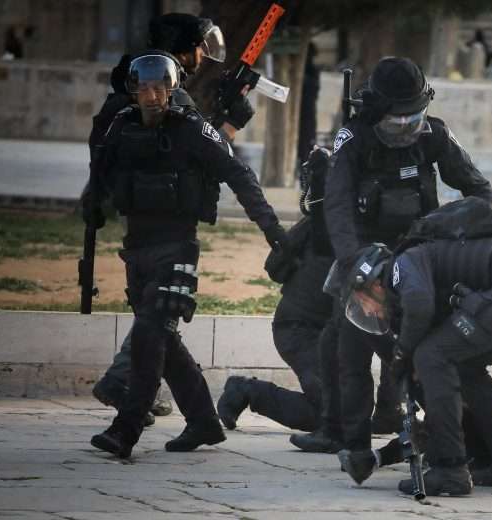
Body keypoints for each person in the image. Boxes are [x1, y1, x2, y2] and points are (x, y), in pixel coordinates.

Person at [86, 52, 287, 458]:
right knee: (162, 337)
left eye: (160, 88)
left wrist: (274, 232)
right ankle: (204, 422)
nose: (153, 96)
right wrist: (93, 206)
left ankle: (125, 431)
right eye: (144, 88)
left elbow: (240, 177)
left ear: (173, 88)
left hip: (177, 248)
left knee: (147, 336)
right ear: (133, 91)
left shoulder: (193, 130)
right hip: (136, 250)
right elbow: (100, 174)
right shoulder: (122, 128)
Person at [292, 56, 492, 455]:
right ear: (376, 112)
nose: (405, 130)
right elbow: (337, 207)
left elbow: (480, 192)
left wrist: (461, 231)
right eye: (395, 122)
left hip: (421, 255)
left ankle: (418, 421)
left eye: (412, 119)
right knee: (342, 342)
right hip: (366, 254)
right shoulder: (352, 139)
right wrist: (355, 264)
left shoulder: (435, 134)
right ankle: (342, 433)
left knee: (412, 345)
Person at [90, 13, 253, 425]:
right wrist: (231, 124)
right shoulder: (155, 87)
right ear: (184, 47)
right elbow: (197, 158)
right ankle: (123, 385)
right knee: (159, 314)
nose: (203, 56)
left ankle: (188, 416)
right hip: (161, 226)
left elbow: (188, 144)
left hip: (146, 221)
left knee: (160, 315)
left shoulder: (140, 81)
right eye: (199, 47)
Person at [335, 205, 492, 496]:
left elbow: (419, 304)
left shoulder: (403, 264)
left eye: (361, 300)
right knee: (466, 368)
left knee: (432, 355)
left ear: (374, 281)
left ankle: (451, 469)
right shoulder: (420, 265)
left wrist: (403, 354)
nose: (366, 310)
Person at [216, 147, 403, 435]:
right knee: (335, 417)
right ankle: (247, 391)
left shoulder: (375, 237)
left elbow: (390, 332)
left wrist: (389, 413)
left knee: (349, 414)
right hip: (300, 328)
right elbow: (277, 264)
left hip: (337, 330)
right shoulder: (323, 225)